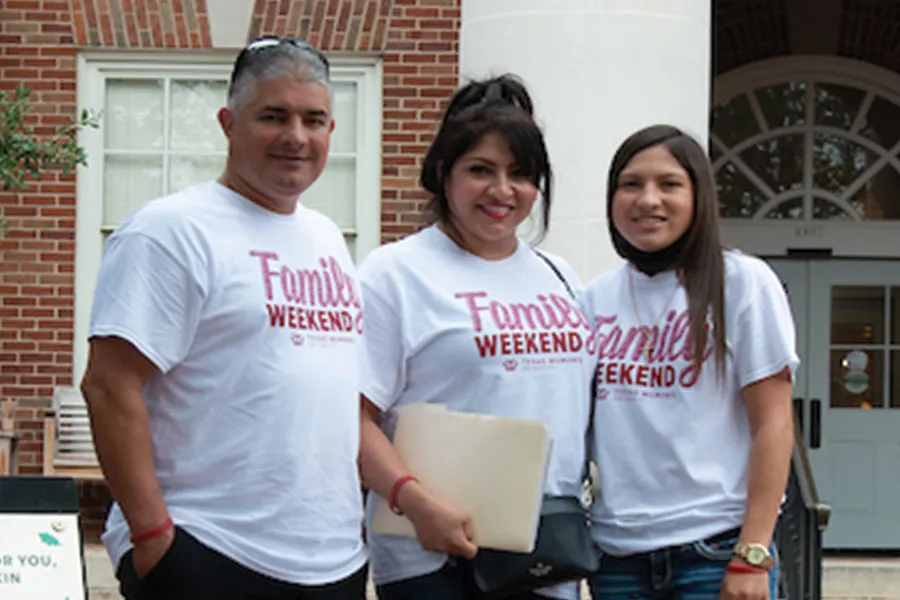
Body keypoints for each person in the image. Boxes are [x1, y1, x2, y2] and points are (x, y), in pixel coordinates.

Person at [80, 36, 367, 600]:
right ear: (228, 122)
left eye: (314, 119)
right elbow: (110, 386)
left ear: (331, 130)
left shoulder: (327, 238)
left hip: (331, 560)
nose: (296, 136)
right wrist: (154, 535)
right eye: (273, 116)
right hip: (210, 550)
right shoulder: (170, 232)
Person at [356, 74, 594, 600]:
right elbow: (351, 418)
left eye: (521, 174)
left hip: (545, 554)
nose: (502, 191)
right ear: (444, 174)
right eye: (480, 171)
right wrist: (414, 502)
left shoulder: (559, 275)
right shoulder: (394, 273)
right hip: (434, 557)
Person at [581, 124, 797, 600]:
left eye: (669, 184)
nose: (648, 199)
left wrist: (753, 552)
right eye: (631, 184)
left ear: (699, 196)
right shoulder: (594, 299)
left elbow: (775, 423)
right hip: (617, 557)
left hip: (715, 551)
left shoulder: (742, 283)